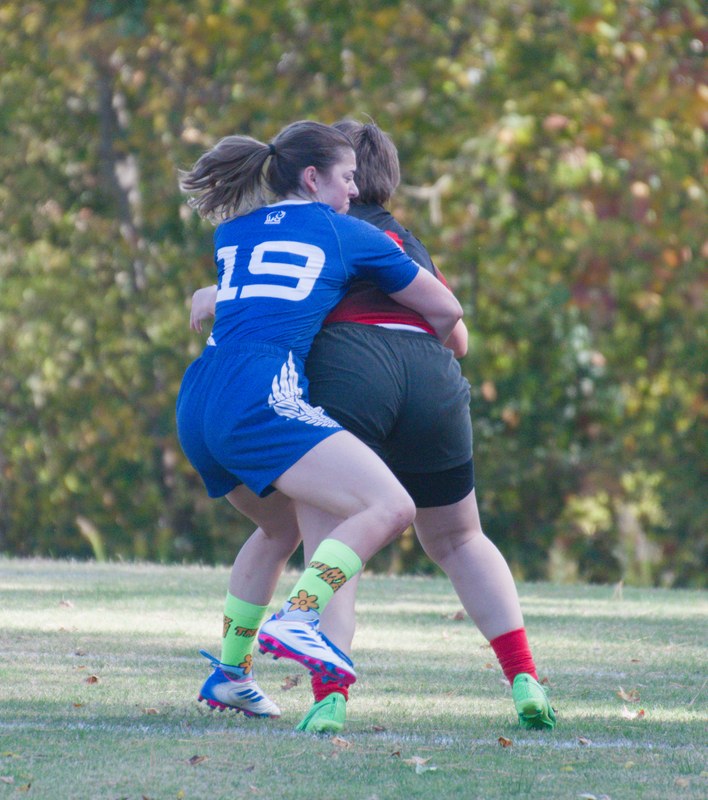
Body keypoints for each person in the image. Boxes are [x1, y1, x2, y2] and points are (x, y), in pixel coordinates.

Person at [190, 120, 556, 733]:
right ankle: (525, 679)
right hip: (432, 375)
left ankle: (326, 694)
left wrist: (213, 293)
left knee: (327, 534)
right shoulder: (402, 238)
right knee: (461, 538)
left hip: (335, 372)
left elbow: (245, 298)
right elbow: (456, 331)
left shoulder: (315, 229)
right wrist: (420, 362)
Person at [176, 120, 462, 719]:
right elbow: (447, 310)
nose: (355, 193)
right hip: (262, 392)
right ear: (313, 177)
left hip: (200, 398)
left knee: (279, 528)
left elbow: (245, 293)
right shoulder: (347, 233)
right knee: (392, 507)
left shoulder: (234, 231)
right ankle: (299, 616)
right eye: (347, 178)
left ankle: (231, 672)